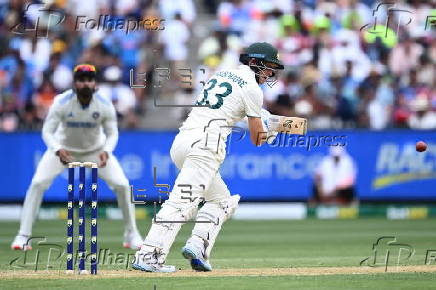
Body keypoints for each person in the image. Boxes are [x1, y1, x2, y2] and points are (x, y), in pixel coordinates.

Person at [132, 42, 284, 273]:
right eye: (268, 67)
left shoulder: (223, 74)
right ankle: (149, 255)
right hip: (205, 147)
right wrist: (272, 130)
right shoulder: (254, 90)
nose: (271, 73)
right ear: (254, 63)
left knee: (222, 201)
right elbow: (256, 138)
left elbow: (229, 109)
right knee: (182, 202)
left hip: (183, 142)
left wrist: (265, 120)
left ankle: (197, 246)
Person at [11, 64, 143, 251]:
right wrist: (57, 149)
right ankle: (23, 236)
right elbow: (47, 131)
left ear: (95, 83)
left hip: (96, 151)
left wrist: (107, 150)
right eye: (81, 80)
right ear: (75, 83)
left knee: (122, 185)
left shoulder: (104, 104)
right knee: (38, 183)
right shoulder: (61, 101)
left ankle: (132, 233)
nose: (85, 83)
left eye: (89, 79)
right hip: (63, 151)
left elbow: (112, 133)